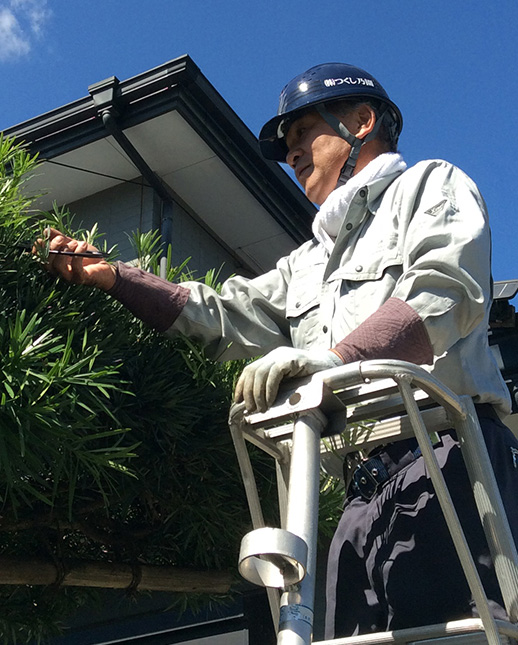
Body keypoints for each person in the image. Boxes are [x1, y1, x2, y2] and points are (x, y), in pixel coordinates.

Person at [42, 62, 518, 638]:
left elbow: (445, 290)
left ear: (362, 122)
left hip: (445, 454)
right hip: (356, 486)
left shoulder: (430, 186)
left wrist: (337, 359)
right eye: (285, 146)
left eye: (302, 135)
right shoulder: (308, 264)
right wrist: (116, 277)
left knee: (456, 633)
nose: (291, 154)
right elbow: (220, 315)